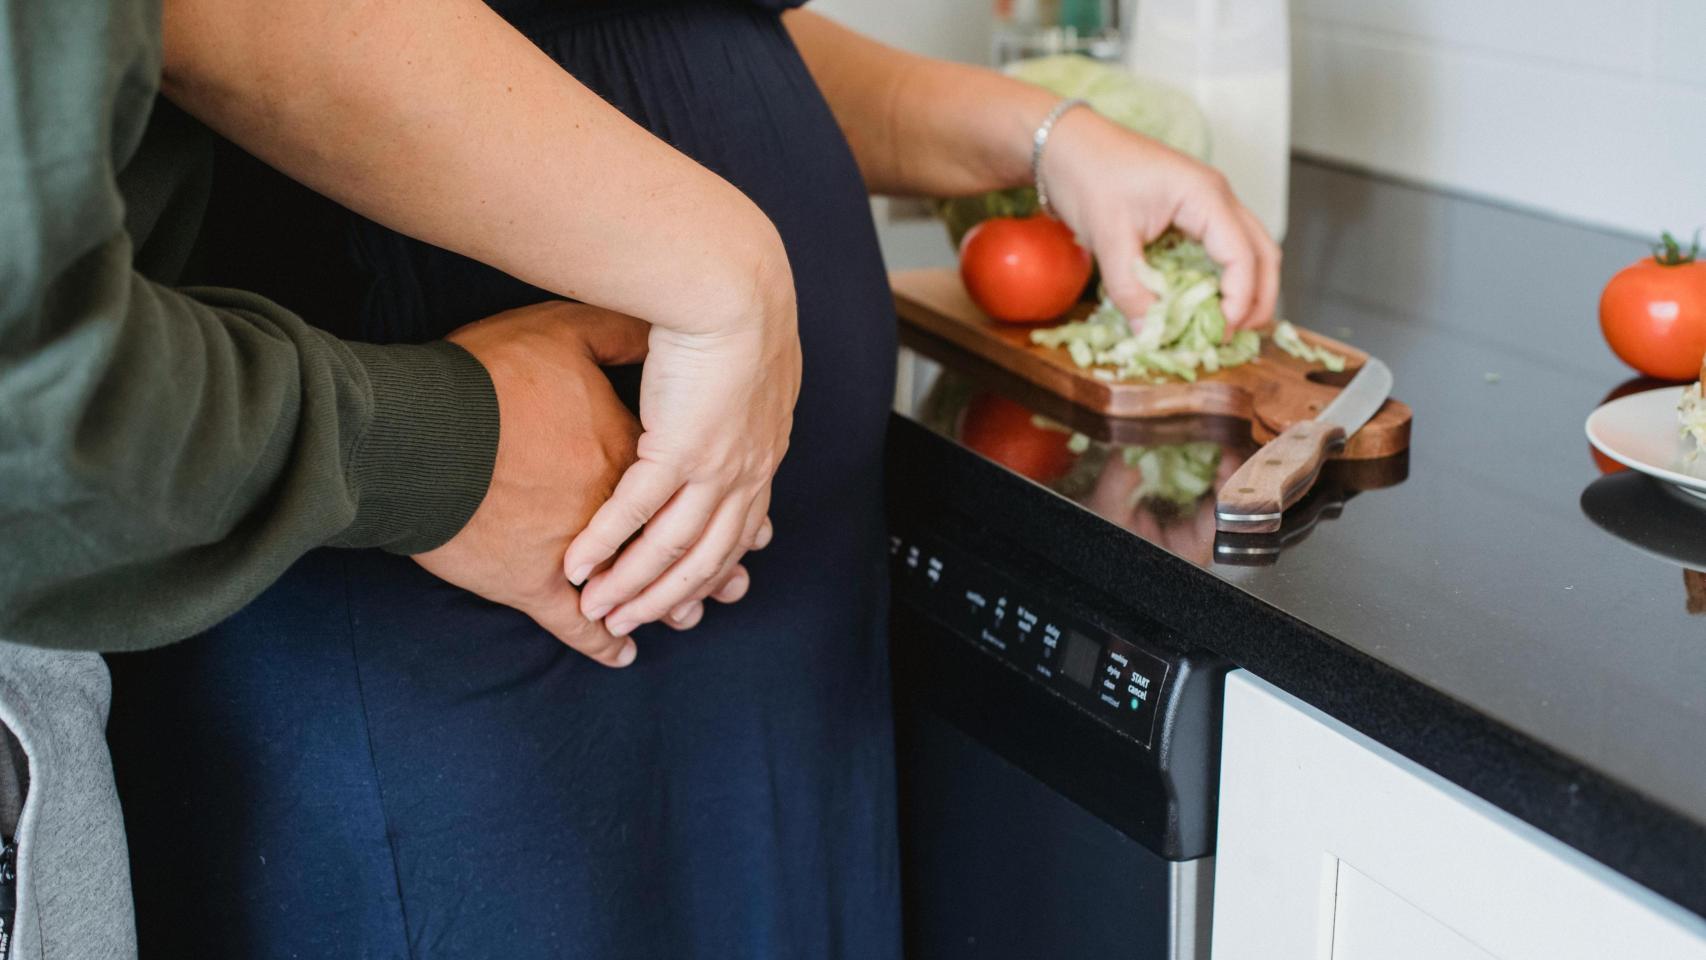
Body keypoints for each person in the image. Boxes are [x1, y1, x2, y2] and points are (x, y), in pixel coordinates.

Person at [13, 2, 1279, 959]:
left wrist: (1035, 132)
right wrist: (721, 266)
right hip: (462, 592)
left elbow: (657, 31)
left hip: (767, 625)